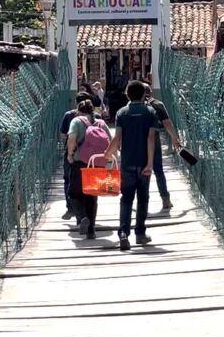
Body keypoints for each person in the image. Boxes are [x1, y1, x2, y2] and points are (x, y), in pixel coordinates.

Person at [103, 80, 158, 251]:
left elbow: (117, 137)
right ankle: (140, 234)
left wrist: (107, 153)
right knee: (143, 198)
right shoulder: (150, 112)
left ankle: (123, 233)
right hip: (144, 163)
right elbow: (151, 138)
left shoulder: (121, 113)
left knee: (126, 198)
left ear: (127, 94)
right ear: (144, 94)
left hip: (127, 162)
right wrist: (149, 163)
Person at [67, 98, 111, 239]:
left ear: (79, 110)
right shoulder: (101, 123)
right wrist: (109, 162)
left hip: (80, 161)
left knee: (74, 193)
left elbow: (72, 137)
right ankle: (91, 230)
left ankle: (82, 216)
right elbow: (110, 141)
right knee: (92, 197)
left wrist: (69, 154)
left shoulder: (76, 121)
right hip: (97, 163)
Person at [142, 83, 181, 215]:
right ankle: (165, 199)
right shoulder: (157, 104)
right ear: (151, 92)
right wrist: (175, 138)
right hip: (155, 138)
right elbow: (167, 123)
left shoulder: (135, 104)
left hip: (138, 140)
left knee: (142, 171)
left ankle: (143, 202)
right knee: (158, 170)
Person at [59, 91, 95, 220]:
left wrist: (69, 152)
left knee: (69, 182)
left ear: (76, 103)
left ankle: (72, 210)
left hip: (74, 155)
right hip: (92, 157)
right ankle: (89, 217)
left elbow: (64, 135)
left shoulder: (70, 116)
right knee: (90, 186)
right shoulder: (96, 117)